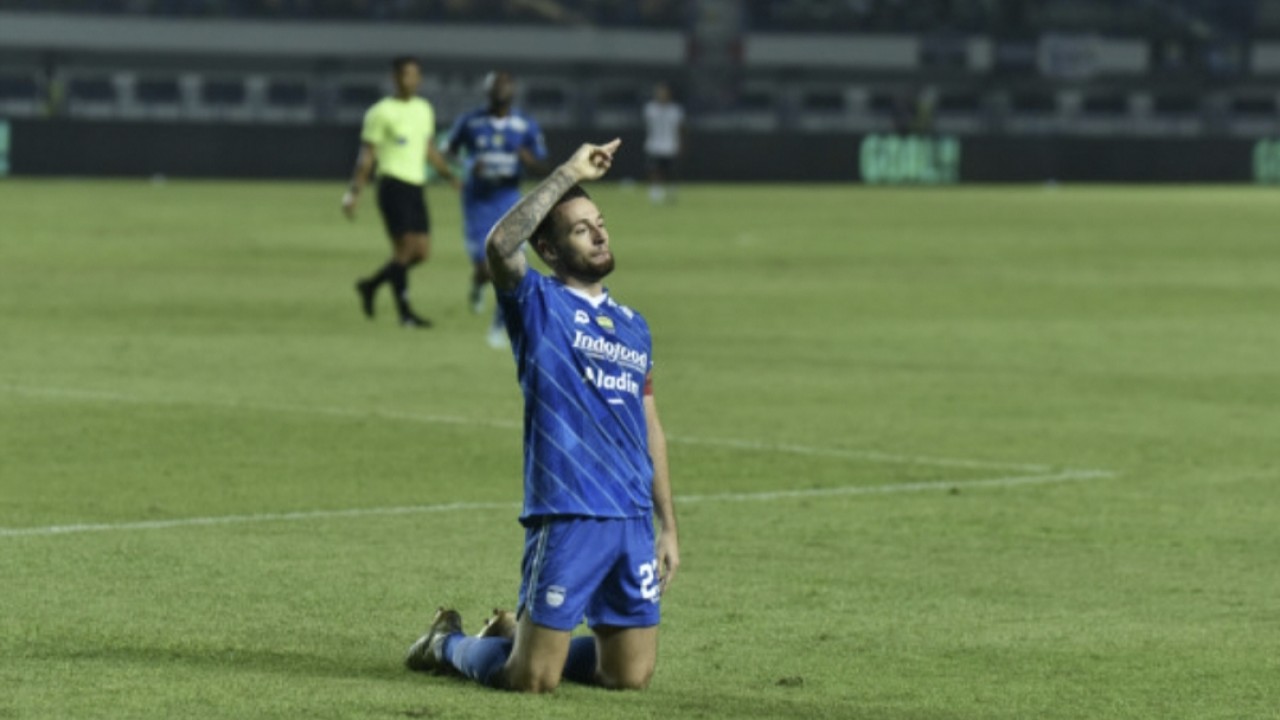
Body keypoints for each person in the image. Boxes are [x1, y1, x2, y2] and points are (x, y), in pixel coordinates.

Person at [403, 139, 680, 693]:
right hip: (569, 511)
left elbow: (650, 425)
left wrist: (668, 524)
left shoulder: (634, 325)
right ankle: (446, 643)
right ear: (550, 251)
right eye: (581, 229)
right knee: (531, 679)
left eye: (599, 222)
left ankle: (520, 633)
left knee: (628, 675)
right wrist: (568, 173)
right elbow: (501, 243)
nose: (600, 233)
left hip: (629, 517)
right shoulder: (538, 306)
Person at [343, 56, 460, 328]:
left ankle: (370, 285)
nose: (412, 80)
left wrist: (448, 175)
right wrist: (354, 193)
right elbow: (367, 156)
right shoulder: (380, 112)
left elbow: (428, 148)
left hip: (416, 185)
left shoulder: (423, 109)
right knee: (405, 248)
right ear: (395, 78)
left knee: (422, 252)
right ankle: (405, 313)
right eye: (406, 75)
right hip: (392, 184)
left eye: (416, 75)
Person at [443, 70, 549, 348]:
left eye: (506, 85)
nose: (501, 89)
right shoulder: (471, 121)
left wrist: (529, 159)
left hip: (509, 200)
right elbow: (448, 150)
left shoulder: (524, 125)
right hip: (477, 203)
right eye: (496, 85)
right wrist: (467, 165)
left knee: (511, 269)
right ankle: (477, 286)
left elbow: (542, 163)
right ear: (488, 90)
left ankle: (498, 326)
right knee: (484, 268)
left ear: (512, 90)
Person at [642, 82, 684, 204]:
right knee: (654, 170)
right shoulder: (650, 109)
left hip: (670, 146)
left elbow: (680, 129)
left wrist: (681, 144)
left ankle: (671, 192)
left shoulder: (675, 110)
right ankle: (656, 193)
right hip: (654, 145)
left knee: (671, 172)